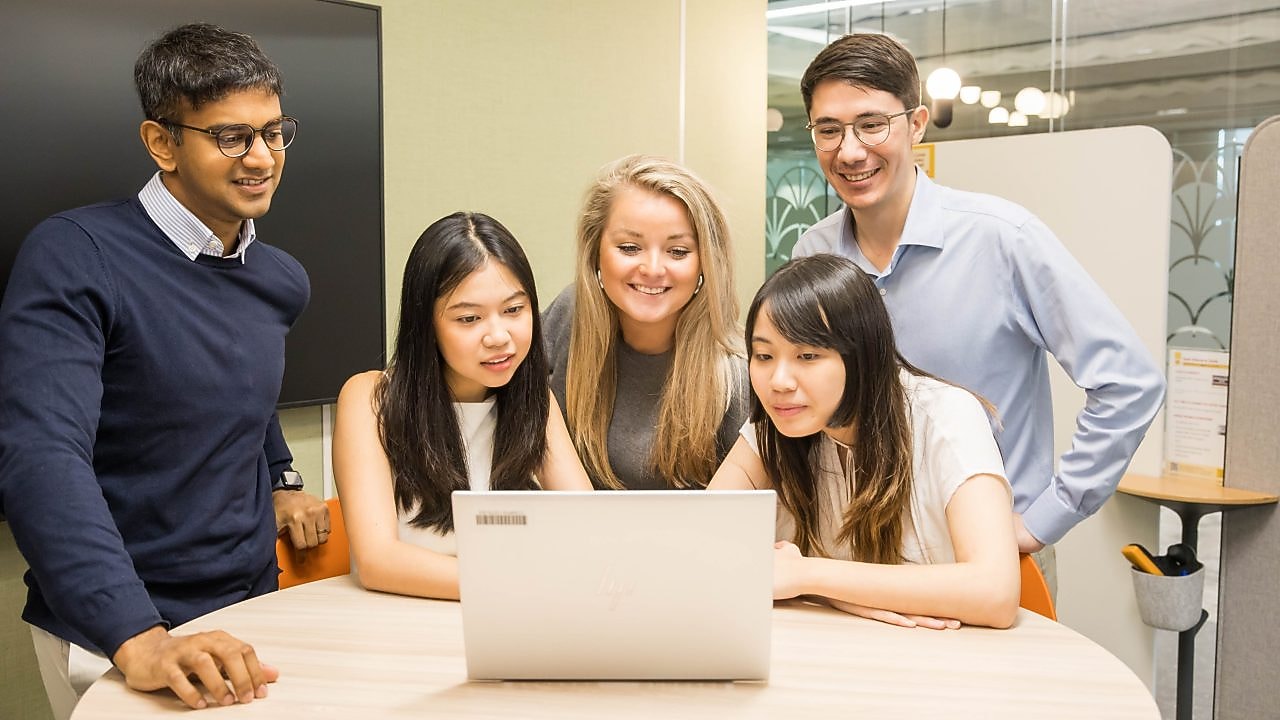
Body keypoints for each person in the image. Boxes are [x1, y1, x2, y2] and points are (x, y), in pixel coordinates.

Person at [0, 23, 329, 716]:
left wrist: (282, 476)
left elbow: (238, 385)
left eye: (274, 132)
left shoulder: (278, 278)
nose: (262, 157)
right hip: (123, 632)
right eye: (232, 136)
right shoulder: (76, 255)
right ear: (161, 143)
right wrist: (138, 638)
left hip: (253, 610)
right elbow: (40, 454)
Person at [790, 34, 1165, 590]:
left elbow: (1130, 383)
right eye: (829, 129)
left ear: (916, 124)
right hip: (860, 559)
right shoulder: (811, 254)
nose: (850, 150)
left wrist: (1044, 519)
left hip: (988, 561)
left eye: (872, 124)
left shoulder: (1002, 239)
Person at [710, 254, 1019, 629]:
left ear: (862, 355)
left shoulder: (947, 415)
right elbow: (700, 548)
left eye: (807, 355)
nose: (779, 381)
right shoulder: (776, 424)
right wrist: (836, 594)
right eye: (763, 356)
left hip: (952, 662)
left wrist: (808, 576)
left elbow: (996, 592)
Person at [333, 212, 591, 599]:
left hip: (504, 625)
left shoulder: (536, 400)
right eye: (469, 318)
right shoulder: (370, 400)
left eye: (514, 310)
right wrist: (519, 583)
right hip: (398, 627)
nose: (499, 336)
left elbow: (591, 528)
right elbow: (377, 561)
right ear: (427, 325)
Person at [543, 155, 748, 490]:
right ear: (595, 251)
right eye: (629, 247)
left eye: (678, 252)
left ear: (706, 263)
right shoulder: (570, 316)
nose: (653, 269)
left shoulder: (736, 376)